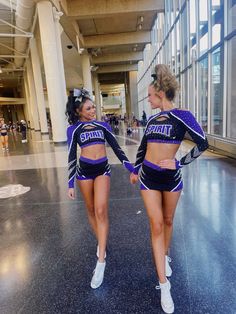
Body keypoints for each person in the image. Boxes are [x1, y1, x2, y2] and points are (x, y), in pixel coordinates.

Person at [130, 64, 208, 314]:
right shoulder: (152, 119)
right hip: (149, 178)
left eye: (150, 95)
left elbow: (202, 143)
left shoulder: (182, 116)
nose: (149, 99)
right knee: (156, 225)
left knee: (167, 220)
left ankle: (166, 255)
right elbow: (143, 146)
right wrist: (135, 168)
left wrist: (180, 162)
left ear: (160, 94)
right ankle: (164, 284)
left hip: (172, 179)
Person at [66, 88, 133, 289]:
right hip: (84, 172)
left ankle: (101, 260)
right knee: (90, 210)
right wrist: (70, 183)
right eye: (89, 107)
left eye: (94, 106)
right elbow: (71, 156)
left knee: (101, 210)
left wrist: (130, 167)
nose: (93, 109)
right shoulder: (74, 130)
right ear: (79, 111)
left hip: (102, 169)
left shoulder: (103, 126)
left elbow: (117, 148)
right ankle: (101, 241)